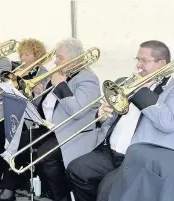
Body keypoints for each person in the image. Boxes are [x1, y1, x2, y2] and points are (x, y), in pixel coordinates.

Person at [66, 40, 172, 201]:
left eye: (143, 60)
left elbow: (167, 123)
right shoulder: (127, 82)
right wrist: (103, 116)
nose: (138, 65)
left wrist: (142, 90)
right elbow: (114, 119)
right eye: (137, 59)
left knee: (107, 189)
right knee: (76, 170)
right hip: (110, 151)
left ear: (162, 63)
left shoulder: (169, 89)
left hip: (135, 158)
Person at [0, 38, 101, 201]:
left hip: (73, 130)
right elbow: (47, 105)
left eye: (60, 57)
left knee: (46, 157)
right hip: (50, 126)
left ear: (75, 58)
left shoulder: (88, 79)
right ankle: (8, 191)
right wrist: (34, 93)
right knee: (16, 141)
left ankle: (62, 197)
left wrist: (60, 85)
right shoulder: (61, 73)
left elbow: (78, 111)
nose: (55, 61)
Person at [0, 38, 48, 190]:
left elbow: (43, 104)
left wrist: (39, 93)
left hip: (32, 117)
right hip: (15, 112)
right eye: (21, 55)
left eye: (26, 55)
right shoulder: (17, 71)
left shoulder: (45, 73)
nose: (22, 58)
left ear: (37, 56)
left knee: (3, 130)